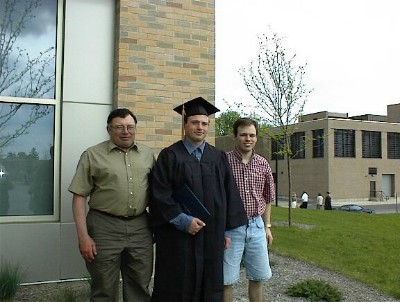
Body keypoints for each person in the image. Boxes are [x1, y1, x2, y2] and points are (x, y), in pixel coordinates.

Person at [149, 97, 247, 302]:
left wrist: (227, 231)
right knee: (176, 282)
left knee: (209, 284)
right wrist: (183, 221)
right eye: (194, 122)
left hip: (211, 236)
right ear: (185, 124)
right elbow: (160, 194)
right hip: (178, 236)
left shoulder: (218, 157)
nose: (199, 127)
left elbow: (230, 194)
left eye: (204, 123)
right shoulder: (170, 156)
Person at [68, 108, 155, 302]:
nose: (125, 131)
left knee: (140, 285)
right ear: (109, 129)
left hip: (140, 227)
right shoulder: (92, 155)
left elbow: (157, 194)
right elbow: (79, 197)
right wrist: (83, 237)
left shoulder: (147, 154)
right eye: (119, 127)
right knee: (104, 288)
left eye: (130, 127)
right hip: (103, 227)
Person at [223, 118, 275, 302]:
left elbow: (268, 197)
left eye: (252, 135)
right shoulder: (223, 162)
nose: (248, 139)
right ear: (235, 136)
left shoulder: (263, 164)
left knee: (258, 278)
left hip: (256, 226)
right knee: (226, 280)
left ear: (256, 138)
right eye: (244, 134)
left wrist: (267, 226)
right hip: (231, 227)